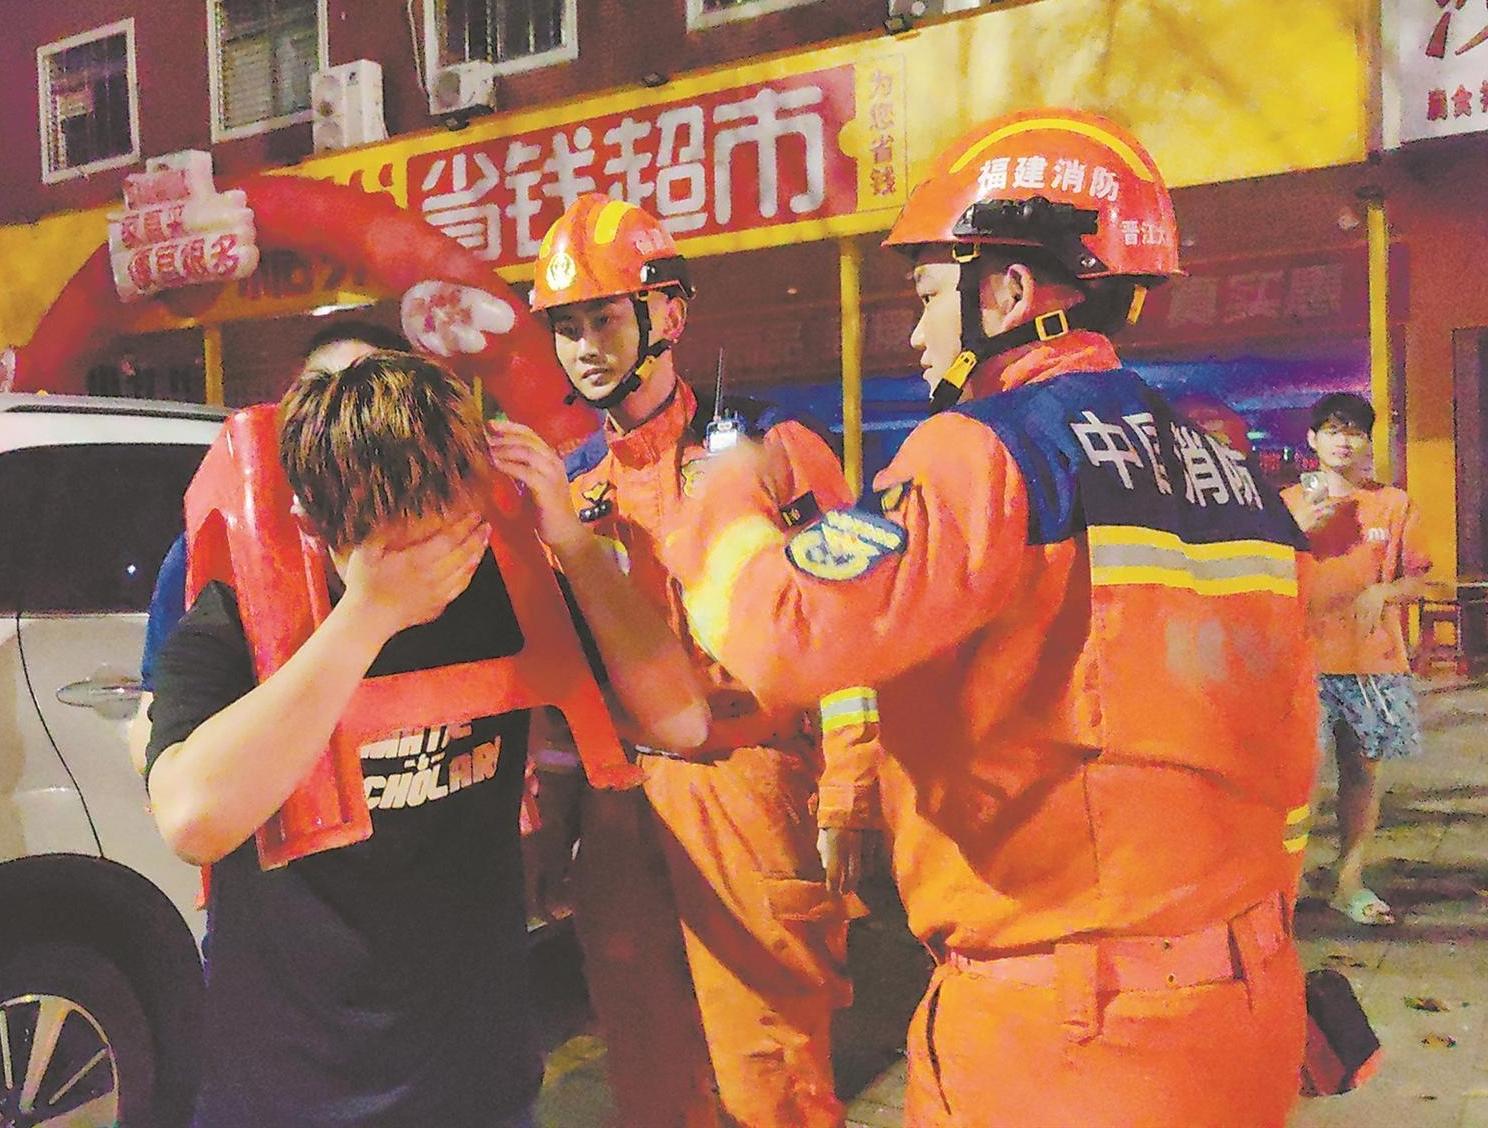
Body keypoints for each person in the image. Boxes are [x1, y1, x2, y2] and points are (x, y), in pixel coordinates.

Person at [656, 109, 1320, 1127]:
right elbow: (1287, 743)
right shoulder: (1236, 479)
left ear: (1005, 291)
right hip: (1248, 999)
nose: (917, 332)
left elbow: (784, 635)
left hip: (1067, 1035)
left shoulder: (984, 452)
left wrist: (733, 486)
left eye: (929, 296)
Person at [143, 351, 708, 1127]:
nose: (439, 562)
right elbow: (192, 819)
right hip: (287, 1089)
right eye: (404, 537)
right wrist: (370, 614)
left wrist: (574, 547)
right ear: (321, 521)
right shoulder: (241, 620)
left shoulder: (502, 588)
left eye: (454, 520)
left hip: (475, 1083)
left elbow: (681, 718)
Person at [505, 193, 878, 1128]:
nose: (584, 347)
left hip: (749, 787)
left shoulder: (770, 452)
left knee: (772, 1077)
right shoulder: (576, 492)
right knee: (649, 1076)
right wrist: (551, 827)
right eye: (565, 328)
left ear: (667, 314)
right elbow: (564, 679)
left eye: (602, 318)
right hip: (622, 806)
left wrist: (849, 793)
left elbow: (848, 629)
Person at [128, 321, 412, 777]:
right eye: (316, 392)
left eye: (359, 397)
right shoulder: (215, 556)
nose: (333, 418)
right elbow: (157, 735)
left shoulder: (456, 556)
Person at [1283, 392, 1431, 926]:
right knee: (1295, 780)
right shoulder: (1287, 503)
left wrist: (1384, 592)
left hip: (1372, 661)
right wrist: (1296, 532)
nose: (1343, 441)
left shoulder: (1393, 503)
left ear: (1367, 441)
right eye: (1332, 430)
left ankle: (1349, 881)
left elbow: (1419, 577)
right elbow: (1259, 570)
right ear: (1312, 440)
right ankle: (1281, 885)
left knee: (1363, 776)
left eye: (1353, 432)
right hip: (1300, 660)